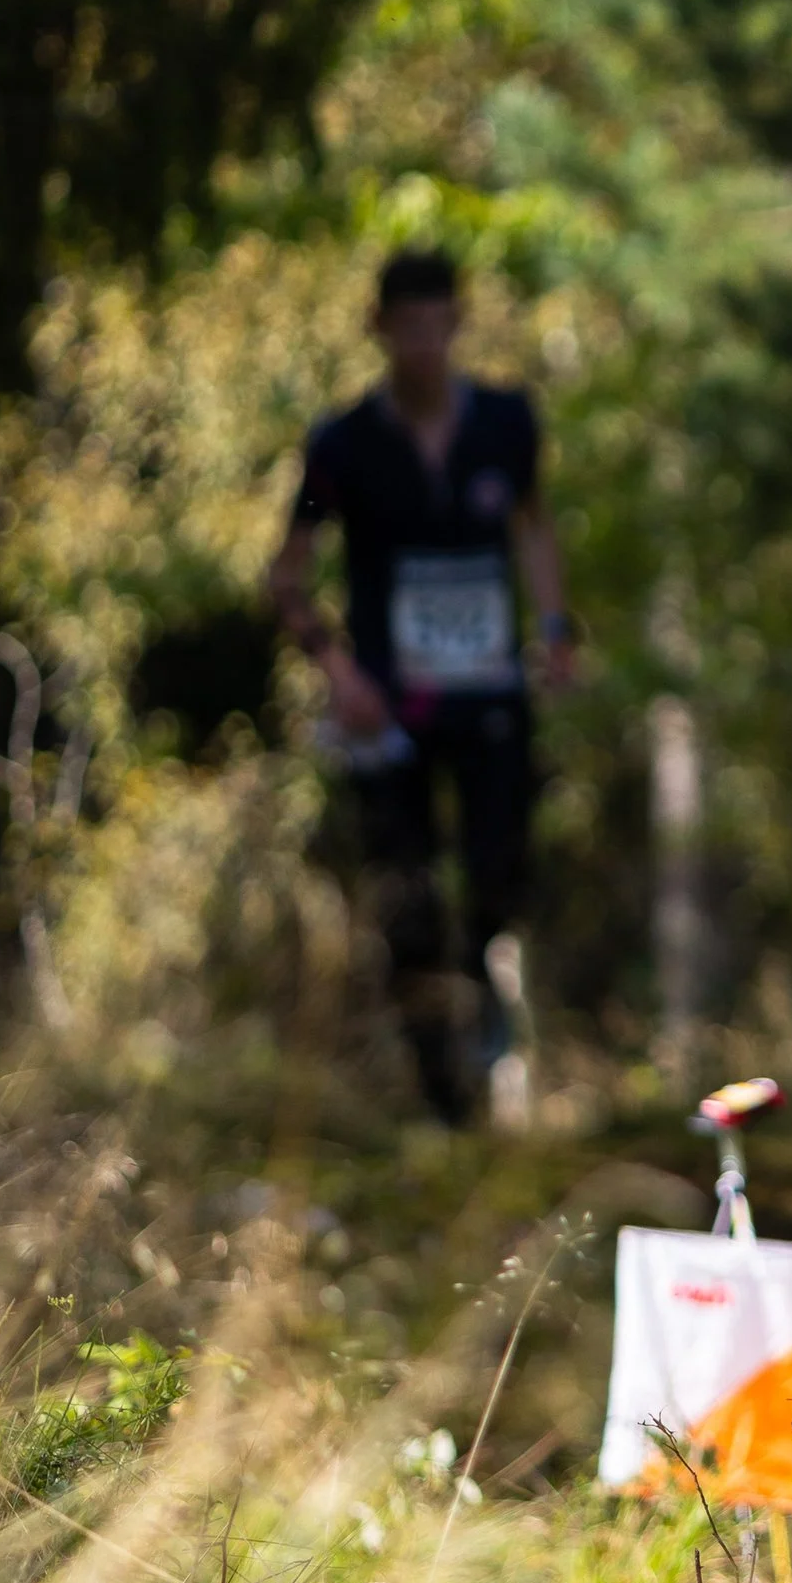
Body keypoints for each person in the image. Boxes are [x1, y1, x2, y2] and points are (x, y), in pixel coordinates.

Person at [267, 248, 576, 1126]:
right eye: (409, 327)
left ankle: (484, 1004)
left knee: (498, 871)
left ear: (459, 323)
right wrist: (340, 674)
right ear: (379, 329)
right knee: (406, 901)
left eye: (439, 325)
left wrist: (555, 629)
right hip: (389, 712)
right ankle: (441, 1099)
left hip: (489, 698)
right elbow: (287, 577)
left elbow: (535, 526)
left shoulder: (507, 425)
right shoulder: (342, 448)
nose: (425, 345)